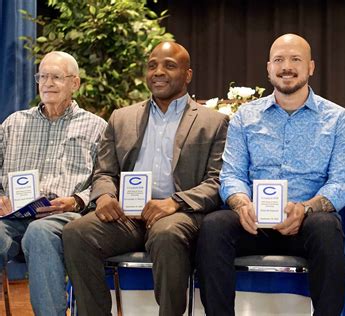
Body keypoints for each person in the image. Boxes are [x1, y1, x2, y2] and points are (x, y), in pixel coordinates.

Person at [196, 33, 345, 316]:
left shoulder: (338, 119)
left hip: (306, 221)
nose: (287, 66)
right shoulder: (245, 116)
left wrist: (306, 208)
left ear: (311, 67)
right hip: (253, 221)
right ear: (268, 68)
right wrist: (241, 203)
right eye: (279, 60)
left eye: (296, 59)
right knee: (214, 226)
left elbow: (341, 184)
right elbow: (232, 174)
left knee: (327, 228)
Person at [62, 41, 229, 316]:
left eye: (169, 65)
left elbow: (217, 182)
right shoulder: (122, 118)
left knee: (166, 234)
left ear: (188, 74)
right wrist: (104, 196)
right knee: (77, 233)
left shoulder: (213, 122)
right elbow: (104, 171)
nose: (158, 72)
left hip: (178, 215)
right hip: (126, 216)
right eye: (152, 65)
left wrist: (174, 203)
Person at [0, 51, 107, 316]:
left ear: (75, 83)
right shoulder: (14, 123)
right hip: (13, 215)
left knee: (39, 233)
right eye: (43, 76)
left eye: (56, 77)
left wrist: (77, 200)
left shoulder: (97, 128)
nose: (47, 83)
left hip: (65, 215)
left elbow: (106, 179)